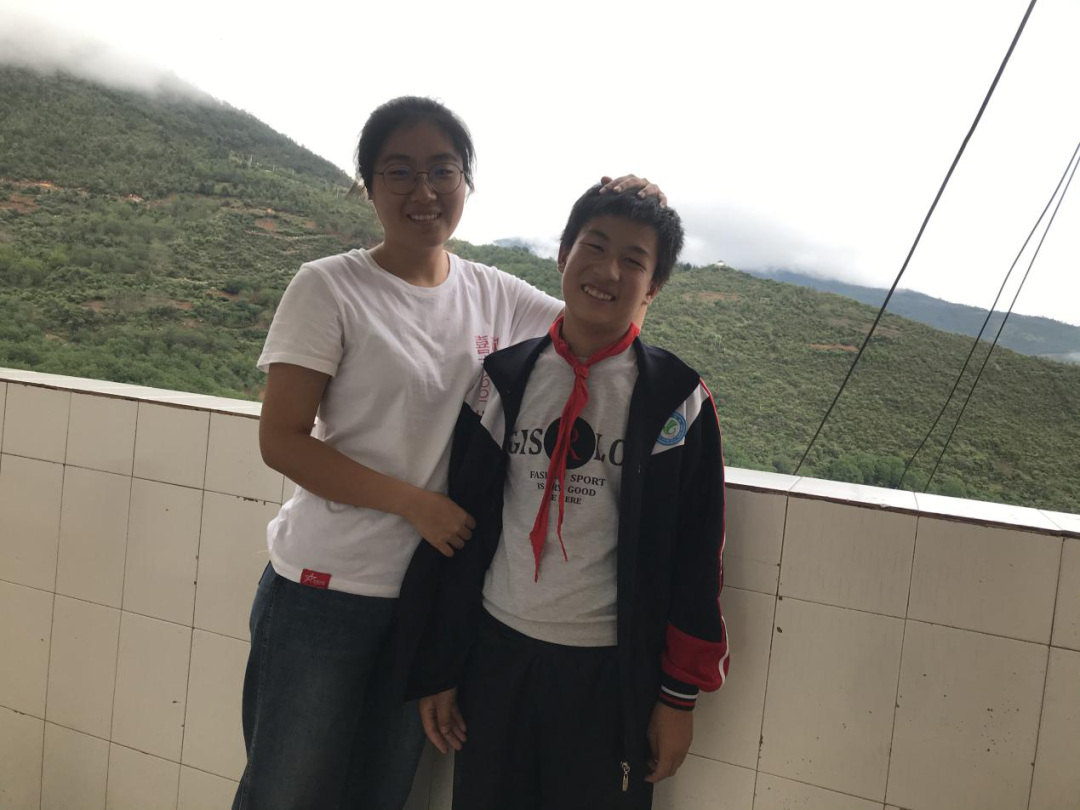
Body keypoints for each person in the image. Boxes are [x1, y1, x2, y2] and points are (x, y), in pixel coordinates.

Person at [234, 94, 664, 810]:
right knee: (288, 793)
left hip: (428, 603)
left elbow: (601, 314)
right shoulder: (329, 287)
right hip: (325, 590)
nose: (424, 191)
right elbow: (280, 441)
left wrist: (626, 212)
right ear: (368, 183)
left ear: (467, 181)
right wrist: (416, 506)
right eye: (399, 171)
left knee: (380, 794)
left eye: (443, 170)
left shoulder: (493, 294)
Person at [398, 186, 730, 810]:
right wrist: (441, 665)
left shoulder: (676, 402)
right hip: (495, 656)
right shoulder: (502, 380)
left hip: (610, 673)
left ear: (654, 286)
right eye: (594, 247)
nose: (609, 271)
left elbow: (697, 555)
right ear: (562, 255)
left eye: (634, 261)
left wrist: (678, 698)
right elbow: (461, 529)